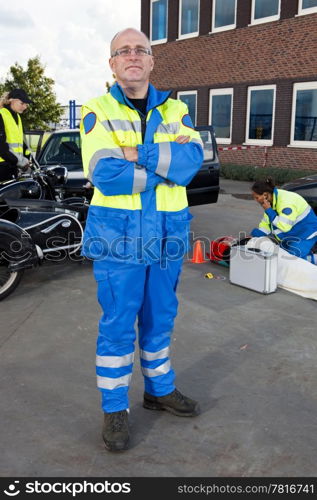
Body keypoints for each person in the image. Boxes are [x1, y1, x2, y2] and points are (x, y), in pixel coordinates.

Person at [80, 28, 204, 452]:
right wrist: (164, 160)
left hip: (167, 237)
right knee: (117, 326)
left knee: (160, 320)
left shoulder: (178, 108)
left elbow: (192, 162)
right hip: (120, 239)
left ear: (152, 61)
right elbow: (107, 175)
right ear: (112, 63)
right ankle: (115, 407)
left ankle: (159, 390)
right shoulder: (95, 110)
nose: (132, 56)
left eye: (141, 50)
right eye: (123, 51)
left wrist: (136, 153)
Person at [251, 177, 317, 260]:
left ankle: (312, 264)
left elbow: (284, 226)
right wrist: (255, 236)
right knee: (283, 255)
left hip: (307, 232)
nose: (255, 200)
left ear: (265, 195)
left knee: (294, 257)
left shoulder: (285, 203)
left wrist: (269, 211)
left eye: (257, 197)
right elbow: (266, 224)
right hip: (295, 232)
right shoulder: (271, 203)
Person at [0, 88, 33, 182]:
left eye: (26, 104)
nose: (25, 107)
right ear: (11, 100)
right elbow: (2, 148)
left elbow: (20, 142)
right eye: (22, 103)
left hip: (13, 166)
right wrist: (20, 162)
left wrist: (28, 158)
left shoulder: (17, 117)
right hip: (2, 166)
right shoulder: (1, 114)